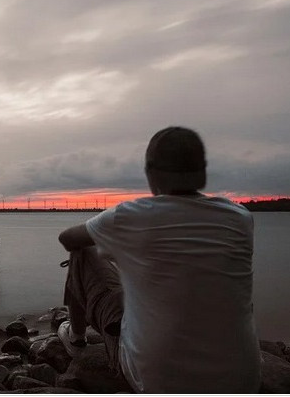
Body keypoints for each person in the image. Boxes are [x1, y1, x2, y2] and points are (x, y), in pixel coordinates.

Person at [57, 126, 261, 393]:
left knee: (83, 252)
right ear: (202, 171)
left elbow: (67, 239)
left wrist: (122, 249)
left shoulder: (131, 216)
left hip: (157, 380)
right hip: (241, 382)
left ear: (151, 173)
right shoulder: (240, 218)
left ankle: (77, 337)